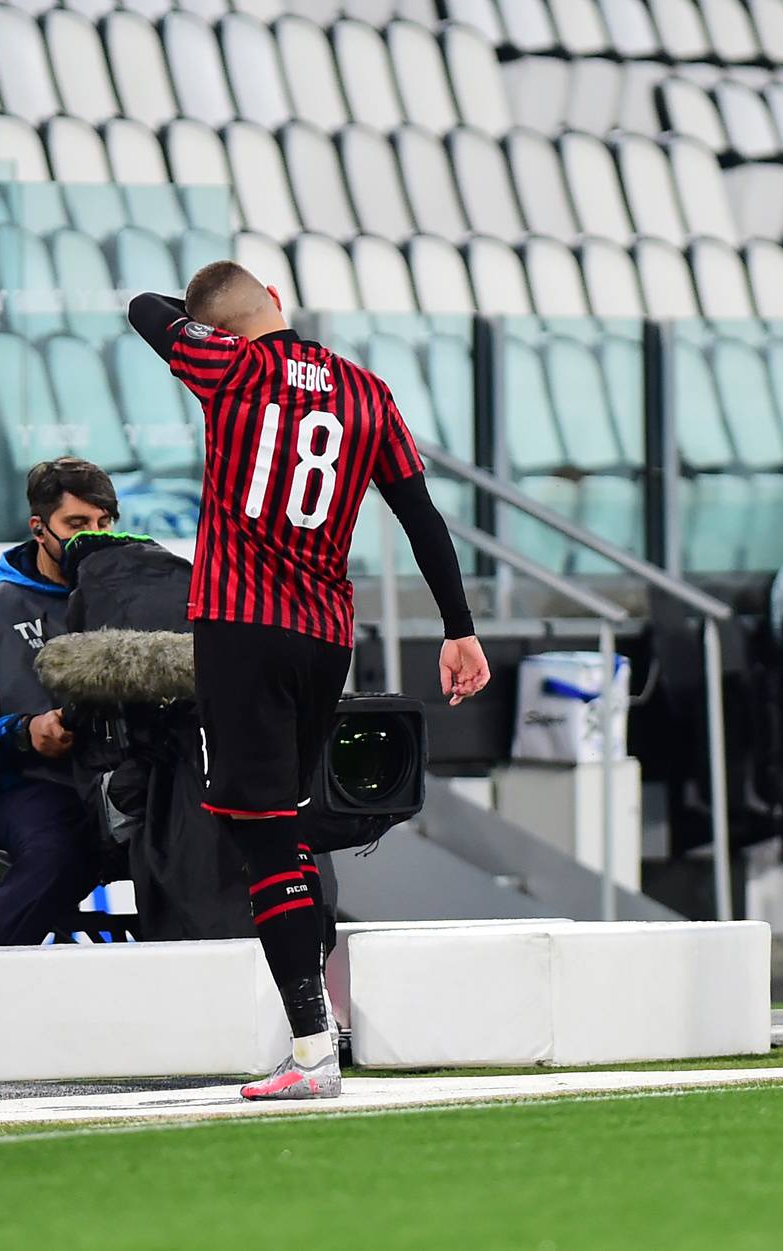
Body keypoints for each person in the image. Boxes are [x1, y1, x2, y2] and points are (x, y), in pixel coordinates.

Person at [128, 261, 491, 1102]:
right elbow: (420, 516)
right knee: (280, 829)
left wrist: (199, 329)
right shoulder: (367, 390)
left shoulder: (228, 368)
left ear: (223, 331)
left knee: (261, 838)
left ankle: (310, 1046)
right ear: (280, 305)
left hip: (240, 628)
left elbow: (144, 308)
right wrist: (459, 627)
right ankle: (315, 1031)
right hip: (325, 635)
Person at [0, 458, 116, 947]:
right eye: (77, 525)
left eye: (104, 523)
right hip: (30, 786)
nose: (93, 537)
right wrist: (26, 730)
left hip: (135, 784)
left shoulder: (135, 599)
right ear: (39, 528)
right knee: (61, 851)